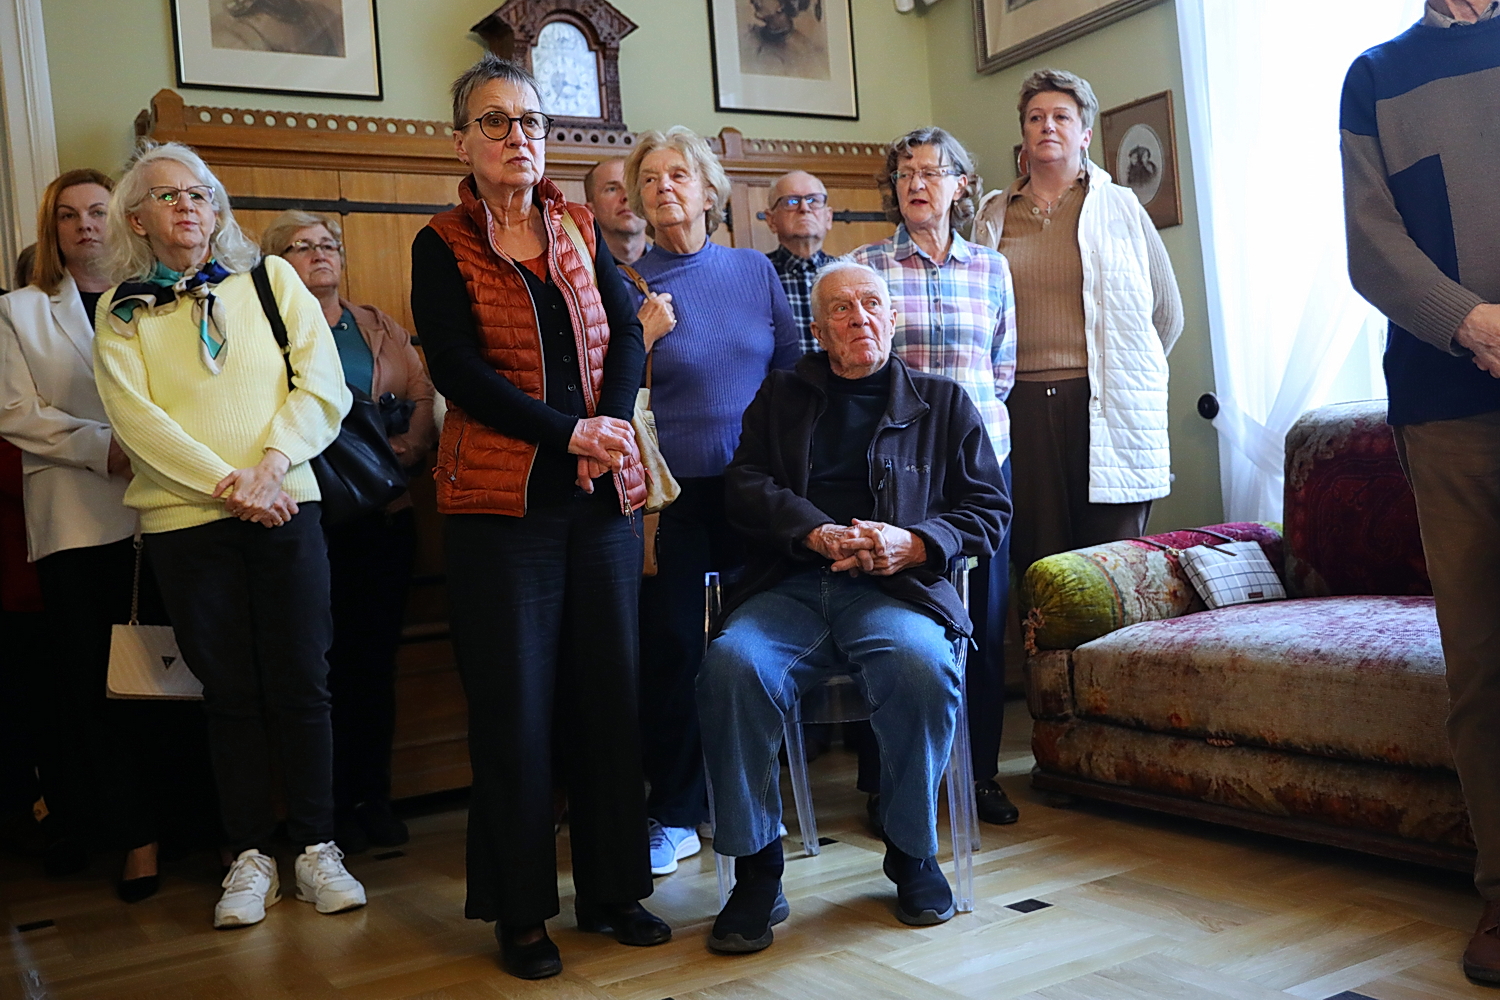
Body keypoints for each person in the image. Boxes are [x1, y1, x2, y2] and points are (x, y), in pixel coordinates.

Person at [410, 55, 666, 980]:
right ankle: (521, 913)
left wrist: (609, 427)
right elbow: (456, 370)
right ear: (462, 143)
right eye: (495, 121)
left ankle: (613, 890)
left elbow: (628, 329)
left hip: (597, 502)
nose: (517, 137)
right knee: (515, 714)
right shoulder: (441, 242)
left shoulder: (576, 224)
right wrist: (567, 433)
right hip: (499, 511)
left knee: (609, 701)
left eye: (529, 121)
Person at [698, 261, 1008, 953]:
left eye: (871, 304)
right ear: (818, 329)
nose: (858, 317)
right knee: (732, 667)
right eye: (840, 308)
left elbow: (988, 510)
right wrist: (813, 531)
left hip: (894, 591)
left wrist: (915, 542)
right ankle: (757, 869)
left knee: (921, 667)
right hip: (789, 587)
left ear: (893, 319)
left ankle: (912, 851)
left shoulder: (943, 402)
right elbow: (744, 487)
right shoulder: (780, 395)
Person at [93, 141, 364, 930]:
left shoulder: (271, 279)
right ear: (136, 219)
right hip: (187, 524)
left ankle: (315, 847)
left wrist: (269, 470)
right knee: (229, 693)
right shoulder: (121, 310)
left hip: (287, 506)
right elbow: (137, 423)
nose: (189, 206)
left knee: (304, 683)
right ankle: (249, 855)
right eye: (168, 196)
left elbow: (323, 386)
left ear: (217, 210)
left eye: (201, 194)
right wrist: (229, 486)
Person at [0, 170, 218, 902]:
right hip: (77, 521)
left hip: (167, 511)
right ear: (52, 229)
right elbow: (16, 412)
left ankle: (200, 827)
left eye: (98, 210)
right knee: (104, 688)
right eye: (69, 215)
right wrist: (106, 447)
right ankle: (137, 838)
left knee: (182, 678)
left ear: (122, 219)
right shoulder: (21, 312)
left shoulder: (158, 296)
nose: (86, 225)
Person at [1340, 0, 1500, 982]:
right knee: (1482, 662)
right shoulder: (1375, 75)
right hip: (1444, 405)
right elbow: (1372, 244)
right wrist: (1471, 322)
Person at [621, 126, 801, 878]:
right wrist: (641, 339)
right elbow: (608, 391)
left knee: (755, 645)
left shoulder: (753, 270)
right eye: (651, 178)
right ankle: (674, 811)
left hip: (756, 491)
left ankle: (747, 799)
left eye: (678, 175)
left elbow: (791, 371)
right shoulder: (627, 282)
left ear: (708, 191)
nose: (664, 187)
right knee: (675, 650)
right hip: (672, 497)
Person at [850, 127, 1018, 828]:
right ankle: (888, 783)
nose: (917, 184)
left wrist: (968, 438)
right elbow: (857, 372)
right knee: (892, 621)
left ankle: (978, 775)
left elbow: (1001, 371)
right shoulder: (865, 266)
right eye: (905, 173)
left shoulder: (992, 268)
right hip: (900, 470)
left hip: (981, 467)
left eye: (932, 172)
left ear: (960, 185)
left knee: (982, 621)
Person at [260, 210, 437, 854]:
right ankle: (323, 811)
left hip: (383, 516)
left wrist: (406, 449)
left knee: (373, 665)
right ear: (274, 265)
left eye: (327, 244)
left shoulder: (375, 325)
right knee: (316, 669)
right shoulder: (263, 331)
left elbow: (421, 393)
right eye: (301, 247)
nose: (319, 254)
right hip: (304, 519)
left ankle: (372, 799)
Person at [972, 69, 1182, 576]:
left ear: (1085, 134)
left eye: (1061, 117)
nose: (1048, 126)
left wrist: (1125, 369)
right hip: (1020, 407)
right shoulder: (992, 215)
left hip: (1105, 404)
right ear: (1023, 134)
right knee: (1038, 565)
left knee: (1112, 566)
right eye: (1035, 117)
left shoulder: (1120, 206)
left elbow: (1167, 314)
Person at [765, 169, 836, 354]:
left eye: (814, 200)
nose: (804, 208)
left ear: (828, 217)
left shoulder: (846, 274)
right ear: (771, 220)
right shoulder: (757, 275)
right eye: (791, 201)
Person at [584, 157, 648, 265]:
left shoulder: (671, 266)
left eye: (634, 187)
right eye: (612, 189)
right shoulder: (580, 270)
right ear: (590, 210)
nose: (627, 196)